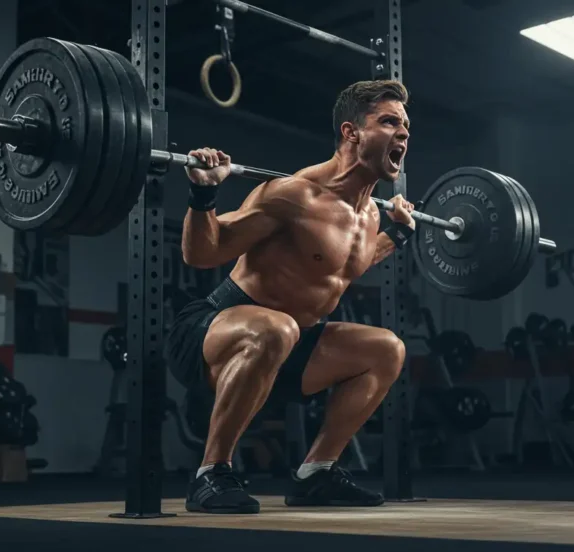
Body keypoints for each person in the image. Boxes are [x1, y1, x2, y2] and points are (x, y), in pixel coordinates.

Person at [166, 79, 415, 514]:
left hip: (288, 347)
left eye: (406, 126)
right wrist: (203, 192)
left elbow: (342, 263)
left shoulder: (371, 213)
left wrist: (397, 234)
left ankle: (316, 473)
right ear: (350, 132)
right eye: (389, 121)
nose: (403, 133)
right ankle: (210, 474)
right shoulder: (294, 196)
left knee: (386, 349)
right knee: (275, 328)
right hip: (212, 333)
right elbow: (200, 253)